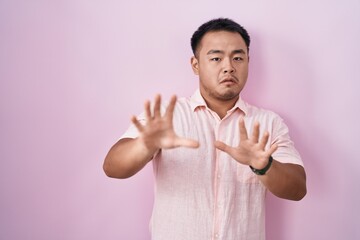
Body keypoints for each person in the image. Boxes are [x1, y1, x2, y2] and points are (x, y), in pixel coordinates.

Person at [103, 18, 307, 240]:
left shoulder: (268, 123)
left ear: (248, 61)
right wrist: (145, 144)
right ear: (196, 65)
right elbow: (113, 167)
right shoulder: (167, 116)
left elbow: (297, 189)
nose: (229, 66)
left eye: (238, 58)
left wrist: (263, 165)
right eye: (216, 58)